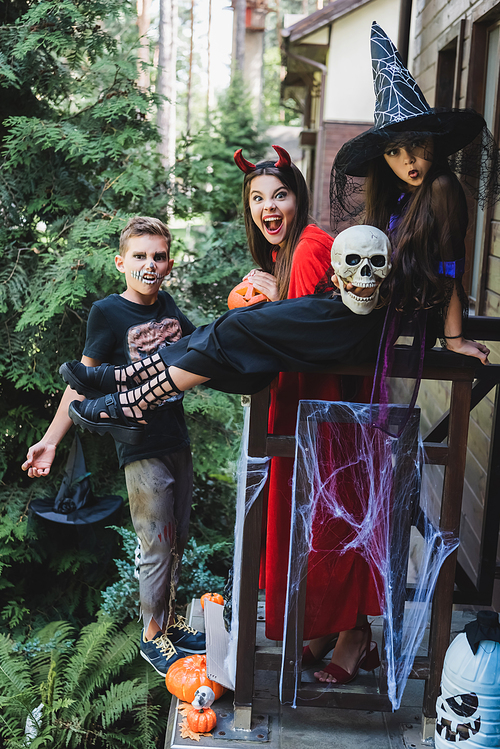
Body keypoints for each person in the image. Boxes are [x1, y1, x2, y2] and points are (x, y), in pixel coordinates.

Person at [61, 24, 496, 686]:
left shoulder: (438, 194)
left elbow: (448, 266)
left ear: (437, 149)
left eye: (422, 146)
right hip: (354, 317)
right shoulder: (394, 196)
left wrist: (455, 333)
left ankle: (134, 389)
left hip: (361, 328)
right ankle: (132, 387)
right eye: (402, 148)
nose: (412, 158)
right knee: (237, 334)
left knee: (240, 332)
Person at [22, 216, 206, 677]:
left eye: (158, 256)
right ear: (121, 262)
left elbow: (199, 352)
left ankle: (172, 623)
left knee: (178, 537)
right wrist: (49, 441)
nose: (150, 264)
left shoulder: (167, 305)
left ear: (168, 263)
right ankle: (151, 636)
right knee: (156, 543)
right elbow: (80, 384)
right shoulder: (108, 312)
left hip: (176, 439)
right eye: (140, 256)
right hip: (138, 444)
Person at [233, 146, 379, 674]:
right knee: (307, 519)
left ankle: (354, 634)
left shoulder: (315, 247)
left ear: (299, 196)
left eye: (280, 195)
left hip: (327, 404)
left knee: (332, 518)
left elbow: (300, 332)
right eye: (257, 199)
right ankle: (321, 628)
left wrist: (269, 305)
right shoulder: (283, 254)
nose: (269, 207)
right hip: (301, 403)